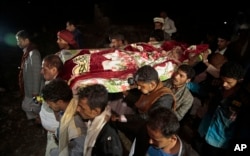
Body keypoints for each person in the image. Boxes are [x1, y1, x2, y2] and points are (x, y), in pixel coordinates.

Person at [112, 65, 176, 156]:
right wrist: (127, 94)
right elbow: (142, 101)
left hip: (152, 130)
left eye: (141, 86)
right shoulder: (152, 89)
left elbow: (148, 116)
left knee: (141, 149)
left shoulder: (165, 99)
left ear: (152, 84)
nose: (138, 88)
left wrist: (125, 117)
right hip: (144, 125)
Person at [197, 61, 245, 156]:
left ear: (239, 81)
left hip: (219, 144)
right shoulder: (217, 86)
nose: (224, 84)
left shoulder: (243, 100)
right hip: (203, 131)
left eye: (229, 82)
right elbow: (203, 91)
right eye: (223, 80)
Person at [41, 78, 87, 156]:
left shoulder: (75, 124)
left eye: (50, 103)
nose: (48, 106)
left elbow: (80, 150)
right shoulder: (70, 105)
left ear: (59, 102)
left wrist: (56, 153)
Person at [76, 84, 123, 156]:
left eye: (82, 108)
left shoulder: (108, 140)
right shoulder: (94, 122)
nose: (77, 109)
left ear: (95, 111)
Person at [39, 54, 64, 156]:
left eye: (44, 69)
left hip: (56, 133)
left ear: (53, 70)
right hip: (52, 131)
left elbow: (59, 113)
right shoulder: (49, 82)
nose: (41, 72)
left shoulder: (57, 89)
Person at [16, 30, 42, 123]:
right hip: (29, 89)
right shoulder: (27, 53)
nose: (17, 43)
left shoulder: (33, 54)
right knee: (36, 105)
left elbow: (37, 74)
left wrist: (35, 92)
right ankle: (40, 118)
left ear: (26, 40)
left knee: (34, 105)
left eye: (19, 40)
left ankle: (42, 118)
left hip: (34, 91)